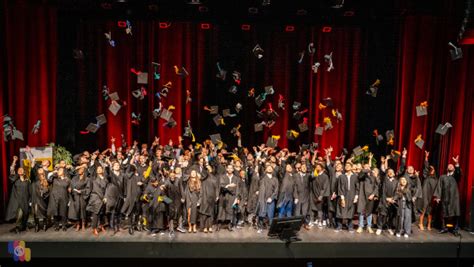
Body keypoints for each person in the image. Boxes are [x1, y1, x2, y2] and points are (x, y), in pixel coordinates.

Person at [434, 155, 462, 236]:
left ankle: (455, 229)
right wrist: (438, 197)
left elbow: (458, 172)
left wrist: (456, 163)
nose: (450, 166)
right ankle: (444, 228)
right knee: (444, 213)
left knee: (455, 213)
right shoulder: (442, 177)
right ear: (447, 168)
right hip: (445, 197)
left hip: (454, 198)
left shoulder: (456, 176)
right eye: (448, 165)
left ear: (454, 168)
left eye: (452, 165)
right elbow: (439, 186)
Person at [6, 156, 31, 234]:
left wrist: (30, 201)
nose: (20, 170)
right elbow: (12, 170)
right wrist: (14, 161)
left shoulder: (27, 182)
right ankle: (18, 226)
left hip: (25, 200)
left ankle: (23, 226)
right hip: (17, 200)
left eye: (21, 170)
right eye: (18, 170)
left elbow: (30, 191)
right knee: (19, 214)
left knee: (26, 213)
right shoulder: (15, 179)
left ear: (24, 172)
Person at [356, 154, 379, 234]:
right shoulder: (362, 176)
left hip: (370, 196)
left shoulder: (373, 177)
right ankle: (360, 226)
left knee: (369, 212)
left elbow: (376, 187)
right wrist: (367, 167)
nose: (367, 168)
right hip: (362, 196)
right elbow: (362, 172)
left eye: (368, 167)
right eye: (365, 167)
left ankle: (369, 226)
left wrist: (373, 194)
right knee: (361, 211)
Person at [121, 164, 145, 235]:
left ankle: (133, 226)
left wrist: (141, 184)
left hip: (134, 197)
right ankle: (132, 226)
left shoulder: (133, 177)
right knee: (134, 212)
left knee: (134, 212)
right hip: (133, 197)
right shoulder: (130, 177)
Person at [376, 159, 399, 236]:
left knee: (390, 215)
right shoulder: (385, 180)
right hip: (384, 199)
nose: (390, 173)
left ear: (394, 174)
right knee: (382, 214)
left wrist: (393, 199)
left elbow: (397, 191)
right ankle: (379, 228)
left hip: (392, 201)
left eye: (392, 172)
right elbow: (383, 172)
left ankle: (389, 228)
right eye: (389, 172)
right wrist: (384, 162)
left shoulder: (396, 182)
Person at [335, 162, 359, 233]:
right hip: (343, 195)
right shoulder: (341, 176)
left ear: (351, 167)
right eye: (346, 165)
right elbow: (340, 187)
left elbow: (357, 187)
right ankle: (339, 226)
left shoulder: (355, 176)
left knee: (350, 211)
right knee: (340, 210)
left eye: (349, 165)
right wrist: (342, 198)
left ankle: (350, 226)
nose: (347, 166)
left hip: (352, 195)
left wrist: (356, 197)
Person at [256, 164, 279, 233]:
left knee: (270, 214)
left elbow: (276, 190)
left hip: (271, 199)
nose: (269, 169)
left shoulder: (275, 179)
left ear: (272, 170)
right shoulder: (263, 178)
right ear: (265, 170)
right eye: (268, 168)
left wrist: (271, 198)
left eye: (270, 168)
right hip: (263, 198)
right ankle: (260, 227)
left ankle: (271, 228)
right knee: (261, 213)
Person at [47, 166, 71, 231]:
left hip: (64, 197)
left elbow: (69, 189)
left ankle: (64, 225)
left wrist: (70, 199)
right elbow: (49, 180)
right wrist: (54, 173)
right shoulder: (54, 178)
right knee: (55, 212)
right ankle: (56, 226)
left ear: (63, 172)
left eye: (60, 170)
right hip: (55, 197)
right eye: (58, 170)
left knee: (63, 212)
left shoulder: (67, 180)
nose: (59, 171)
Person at [86, 165, 108, 236]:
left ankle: (101, 225)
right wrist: (103, 197)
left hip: (103, 197)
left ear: (103, 170)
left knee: (102, 213)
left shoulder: (105, 179)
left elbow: (107, 189)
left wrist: (106, 197)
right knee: (96, 213)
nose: (99, 170)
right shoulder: (94, 179)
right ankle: (94, 228)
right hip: (96, 198)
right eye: (97, 169)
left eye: (100, 168)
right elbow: (96, 189)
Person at [217, 164, 239, 231]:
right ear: (226, 169)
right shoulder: (222, 176)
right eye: (228, 168)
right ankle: (219, 225)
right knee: (221, 211)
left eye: (231, 168)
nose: (229, 169)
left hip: (232, 196)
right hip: (223, 196)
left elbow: (237, 188)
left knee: (230, 211)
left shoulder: (236, 178)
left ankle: (229, 225)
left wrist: (237, 197)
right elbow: (222, 186)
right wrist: (229, 185)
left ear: (233, 169)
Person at [419, 151, 438, 231]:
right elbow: (426, 167)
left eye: (433, 170)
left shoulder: (436, 179)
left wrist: (437, 196)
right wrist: (426, 157)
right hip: (425, 194)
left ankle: (429, 224)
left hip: (432, 195)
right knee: (423, 209)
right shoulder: (426, 176)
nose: (431, 171)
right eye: (431, 170)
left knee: (430, 211)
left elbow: (438, 188)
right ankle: (421, 223)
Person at [68, 165, 89, 231]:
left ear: (84, 171)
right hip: (75, 197)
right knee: (76, 211)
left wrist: (82, 191)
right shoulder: (74, 178)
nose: (79, 170)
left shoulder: (87, 179)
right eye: (79, 169)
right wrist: (70, 189)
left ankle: (83, 224)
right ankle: (78, 224)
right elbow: (71, 185)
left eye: (81, 169)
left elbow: (88, 189)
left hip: (82, 197)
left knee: (82, 212)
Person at [199, 165, 219, 233]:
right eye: (207, 168)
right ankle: (204, 227)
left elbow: (217, 187)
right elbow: (203, 175)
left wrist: (217, 195)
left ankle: (209, 226)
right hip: (204, 196)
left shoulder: (214, 178)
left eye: (210, 168)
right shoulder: (204, 177)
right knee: (204, 213)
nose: (209, 169)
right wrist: (205, 167)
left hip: (212, 196)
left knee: (210, 213)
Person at [309, 162, 329, 228]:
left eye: (318, 167)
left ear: (322, 168)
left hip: (320, 194)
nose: (317, 168)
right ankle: (311, 221)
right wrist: (315, 172)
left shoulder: (325, 176)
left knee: (319, 209)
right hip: (313, 194)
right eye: (316, 167)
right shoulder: (315, 174)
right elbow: (311, 177)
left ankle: (320, 221)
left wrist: (321, 196)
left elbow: (325, 187)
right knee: (312, 208)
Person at [31, 167, 50, 232]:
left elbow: (47, 190)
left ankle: (44, 224)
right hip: (36, 199)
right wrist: (33, 165)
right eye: (39, 173)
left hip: (42, 200)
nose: (41, 174)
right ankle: (37, 225)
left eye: (42, 173)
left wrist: (43, 192)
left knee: (44, 212)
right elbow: (33, 173)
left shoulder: (45, 181)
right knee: (36, 213)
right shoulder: (35, 181)